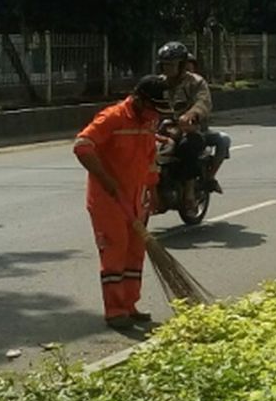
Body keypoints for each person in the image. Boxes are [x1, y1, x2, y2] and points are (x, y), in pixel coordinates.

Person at [73, 74, 171, 329]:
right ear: (138, 100)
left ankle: (130, 305)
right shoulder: (112, 118)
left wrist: (153, 188)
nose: (154, 116)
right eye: (151, 109)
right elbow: (82, 146)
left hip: (136, 198)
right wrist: (106, 180)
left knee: (134, 252)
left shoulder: (149, 121)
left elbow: (150, 157)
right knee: (115, 252)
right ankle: (115, 310)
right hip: (108, 200)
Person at [157, 42, 230, 206]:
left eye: (171, 64)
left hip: (191, 130)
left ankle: (189, 191)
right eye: (164, 64)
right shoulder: (157, 83)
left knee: (188, 146)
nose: (167, 68)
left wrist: (191, 114)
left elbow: (203, 102)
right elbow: (139, 99)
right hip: (163, 130)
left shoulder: (196, 82)